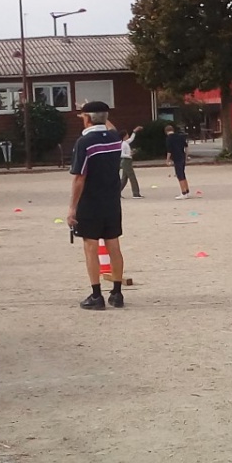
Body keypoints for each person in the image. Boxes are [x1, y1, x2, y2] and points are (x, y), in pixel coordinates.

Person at [68, 101, 125, 310]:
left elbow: (79, 178)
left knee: (90, 247)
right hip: (112, 201)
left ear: (87, 118)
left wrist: (72, 208)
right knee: (114, 246)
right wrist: (100, 114)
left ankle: (96, 295)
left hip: (90, 202)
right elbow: (110, 127)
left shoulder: (84, 143)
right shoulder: (114, 138)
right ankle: (117, 293)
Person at [165, 124, 190, 200]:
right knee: (183, 174)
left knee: (179, 175)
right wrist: (186, 156)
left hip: (176, 158)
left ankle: (183, 193)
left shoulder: (169, 139)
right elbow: (186, 146)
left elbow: (169, 150)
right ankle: (187, 190)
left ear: (166, 131)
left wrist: (167, 160)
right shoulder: (180, 137)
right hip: (182, 157)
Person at [120, 125, 143, 199]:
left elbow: (131, 139)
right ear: (124, 136)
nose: (128, 135)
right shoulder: (123, 144)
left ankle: (117, 192)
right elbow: (122, 154)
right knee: (132, 177)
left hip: (127, 161)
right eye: (127, 134)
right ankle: (136, 193)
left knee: (124, 179)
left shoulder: (125, 142)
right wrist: (130, 155)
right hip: (126, 161)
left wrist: (134, 131)